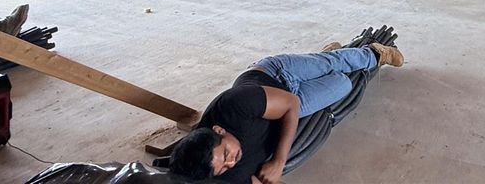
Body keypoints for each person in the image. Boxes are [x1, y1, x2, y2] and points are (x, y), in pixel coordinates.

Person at [168, 41, 404, 184]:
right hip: (286, 103)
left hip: (276, 75)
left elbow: (291, 103)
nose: (232, 161)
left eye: (226, 151)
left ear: (218, 130)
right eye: (224, 166)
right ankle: (331, 54)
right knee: (343, 83)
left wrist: (279, 162)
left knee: (333, 64)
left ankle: (374, 52)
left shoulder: (234, 105)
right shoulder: (219, 171)